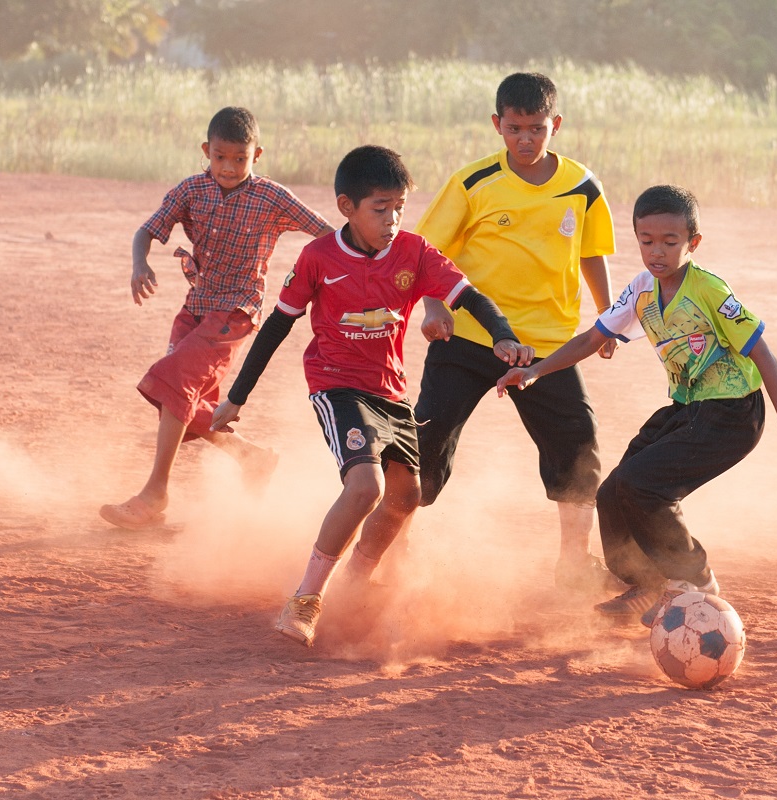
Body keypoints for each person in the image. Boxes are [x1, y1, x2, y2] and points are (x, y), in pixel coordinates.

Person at [210, 145, 532, 647]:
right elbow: (277, 326)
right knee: (367, 488)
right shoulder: (319, 257)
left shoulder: (414, 251)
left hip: (390, 392)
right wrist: (237, 396)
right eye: (379, 208)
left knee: (408, 496)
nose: (392, 218)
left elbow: (469, 297)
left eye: (399, 206)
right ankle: (306, 599)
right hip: (336, 384)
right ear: (347, 207)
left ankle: (355, 583)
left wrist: (503, 335)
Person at [498, 185, 777, 627]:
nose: (657, 251)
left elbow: (762, 353)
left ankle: (696, 581)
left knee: (645, 486)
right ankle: (648, 582)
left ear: (693, 243)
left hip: (733, 413)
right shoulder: (641, 289)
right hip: (688, 409)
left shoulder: (708, 289)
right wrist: (537, 370)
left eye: (670, 242)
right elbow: (594, 338)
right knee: (613, 491)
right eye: (647, 241)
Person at [410, 71, 619, 592]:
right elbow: (425, 254)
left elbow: (591, 253)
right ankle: (392, 542)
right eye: (514, 128)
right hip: (470, 339)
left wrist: (608, 316)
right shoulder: (473, 182)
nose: (525, 139)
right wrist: (433, 305)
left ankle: (574, 564)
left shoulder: (582, 186)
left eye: (536, 128)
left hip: (547, 346)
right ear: (497, 125)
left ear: (556, 125)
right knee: (425, 444)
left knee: (578, 449)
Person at [100, 106, 334, 530]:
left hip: (236, 312)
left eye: (240, 158)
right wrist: (140, 264)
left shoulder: (272, 197)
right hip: (196, 307)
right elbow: (147, 230)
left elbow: (328, 234)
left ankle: (155, 494)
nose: (229, 167)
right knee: (183, 403)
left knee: (174, 381)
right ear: (207, 151)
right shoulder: (191, 190)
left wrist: (334, 279)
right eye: (221, 157)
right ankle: (252, 457)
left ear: (256, 155)